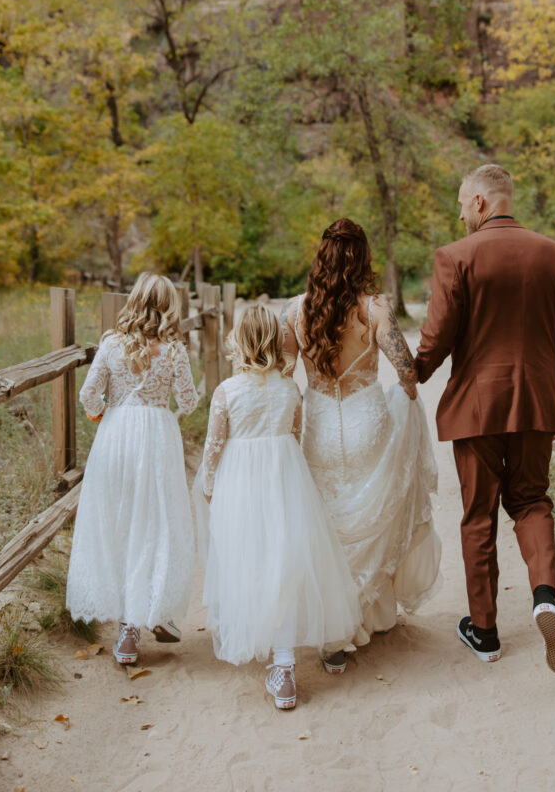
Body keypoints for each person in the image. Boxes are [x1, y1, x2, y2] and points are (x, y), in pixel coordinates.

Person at [415, 164, 555, 673]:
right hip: (536, 402)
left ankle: (484, 632)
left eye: (464, 204)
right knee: (532, 500)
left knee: (478, 514)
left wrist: (415, 371)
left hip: (476, 408)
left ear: (482, 202)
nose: (461, 213)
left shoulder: (456, 257)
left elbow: (438, 336)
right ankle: (545, 596)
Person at [282, 218, 441, 672]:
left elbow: (282, 375)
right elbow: (407, 371)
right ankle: (366, 614)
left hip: (319, 428)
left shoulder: (295, 311)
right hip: (367, 421)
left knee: (328, 523)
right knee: (372, 517)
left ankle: (332, 632)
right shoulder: (374, 309)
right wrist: (405, 399)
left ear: (321, 257)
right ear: (363, 257)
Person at [193, 304, 361, 711]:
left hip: (241, 486)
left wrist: (210, 488)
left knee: (249, 563)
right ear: (273, 340)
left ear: (239, 341)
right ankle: (284, 665)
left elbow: (213, 448)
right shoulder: (290, 389)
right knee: (285, 565)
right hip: (285, 481)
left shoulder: (228, 391)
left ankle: (269, 650)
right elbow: (297, 434)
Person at [67, 272, 198, 666]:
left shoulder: (111, 344)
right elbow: (189, 402)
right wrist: (166, 409)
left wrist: (104, 415)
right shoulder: (174, 350)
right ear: (168, 305)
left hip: (116, 436)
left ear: (135, 300)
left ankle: (130, 622)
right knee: (154, 525)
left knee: (119, 523)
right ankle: (137, 623)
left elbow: (88, 393)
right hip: (157, 436)